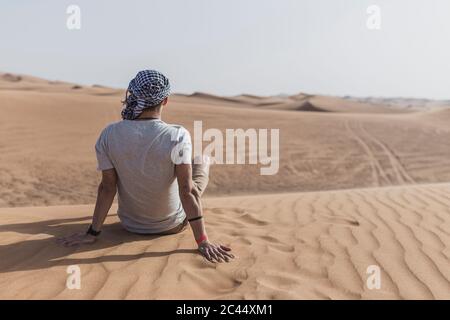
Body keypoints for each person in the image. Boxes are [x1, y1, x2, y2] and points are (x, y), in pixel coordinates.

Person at [57, 70, 234, 263]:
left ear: (132, 94)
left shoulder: (108, 134)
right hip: (172, 225)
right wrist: (203, 242)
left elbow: (108, 188)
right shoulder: (178, 135)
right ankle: (204, 161)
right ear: (165, 100)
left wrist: (92, 232)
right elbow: (187, 190)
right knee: (198, 165)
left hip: (130, 225)